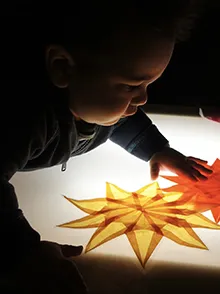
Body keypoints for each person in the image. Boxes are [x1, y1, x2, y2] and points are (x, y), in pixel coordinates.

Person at [0, 1, 212, 293]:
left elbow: (123, 121)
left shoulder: (98, 103)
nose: (142, 100)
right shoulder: (25, 117)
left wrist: (156, 149)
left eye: (147, 85)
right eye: (130, 86)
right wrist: (24, 251)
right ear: (63, 68)